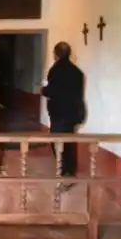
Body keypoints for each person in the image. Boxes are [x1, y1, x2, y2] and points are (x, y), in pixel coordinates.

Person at [41, 41, 86, 176]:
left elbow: (52, 91)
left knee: (57, 141)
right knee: (69, 142)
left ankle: (63, 170)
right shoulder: (78, 72)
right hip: (73, 113)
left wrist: (43, 90)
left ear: (56, 54)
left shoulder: (55, 70)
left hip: (59, 113)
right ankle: (70, 170)